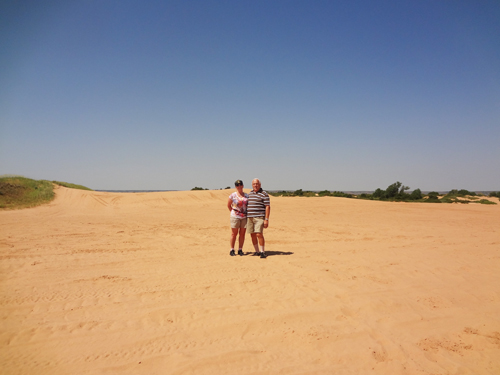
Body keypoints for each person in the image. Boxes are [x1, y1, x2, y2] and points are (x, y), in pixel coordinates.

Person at [247, 178, 270, 259]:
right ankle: (257, 251)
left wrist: (266, 219)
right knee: (252, 234)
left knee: (259, 234)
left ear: (260, 185)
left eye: (257, 184)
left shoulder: (264, 194)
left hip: (259, 217)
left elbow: (267, 207)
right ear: (252, 185)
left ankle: (262, 252)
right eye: (254, 184)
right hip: (250, 217)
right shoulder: (250, 193)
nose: (255, 185)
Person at [227, 180, 249, 256]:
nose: (239, 186)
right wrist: (234, 213)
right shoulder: (232, 195)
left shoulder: (246, 196)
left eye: (240, 185)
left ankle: (240, 249)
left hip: (244, 217)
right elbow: (229, 205)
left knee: (242, 234)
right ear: (236, 187)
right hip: (235, 216)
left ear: (243, 185)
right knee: (234, 234)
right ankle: (232, 250)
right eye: (237, 185)